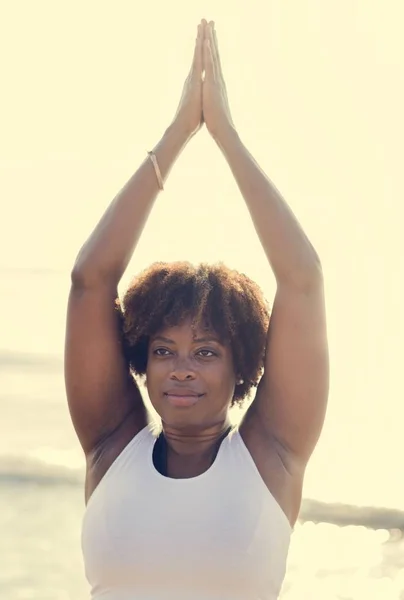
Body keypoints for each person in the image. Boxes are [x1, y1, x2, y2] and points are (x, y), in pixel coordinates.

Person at [65, 18, 329, 600]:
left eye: (206, 351)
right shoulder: (112, 446)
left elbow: (302, 279)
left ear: (242, 366)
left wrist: (225, 135)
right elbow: (90, 280)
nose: (181, 367)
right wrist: (178, 132)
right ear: (141, 360)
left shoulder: (271, 456)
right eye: (164, 350)